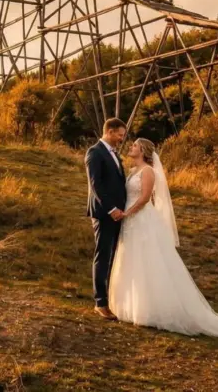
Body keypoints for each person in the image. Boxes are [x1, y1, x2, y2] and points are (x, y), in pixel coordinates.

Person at [108, 137, 218, 338]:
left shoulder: (148, 171)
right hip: (131, 221)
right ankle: (131, 305)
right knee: (133, 260)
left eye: (134, 145)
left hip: (140, 220)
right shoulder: (134, 171)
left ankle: (152, 309)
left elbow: (144, 198)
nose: (131, 147)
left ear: (142, 150)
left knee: (147, 261)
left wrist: (127, 213)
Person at [85, 118, 128, 321]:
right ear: (109, 131)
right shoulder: (95, 152)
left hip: (118, 214)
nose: (122, 139)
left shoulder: (114, 153)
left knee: (113, 256)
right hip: (104, 214)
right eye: (120, 134)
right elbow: (96, 186)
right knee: (102, 256)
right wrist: (111, 209)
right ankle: (100, 302)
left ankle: (111, 298)